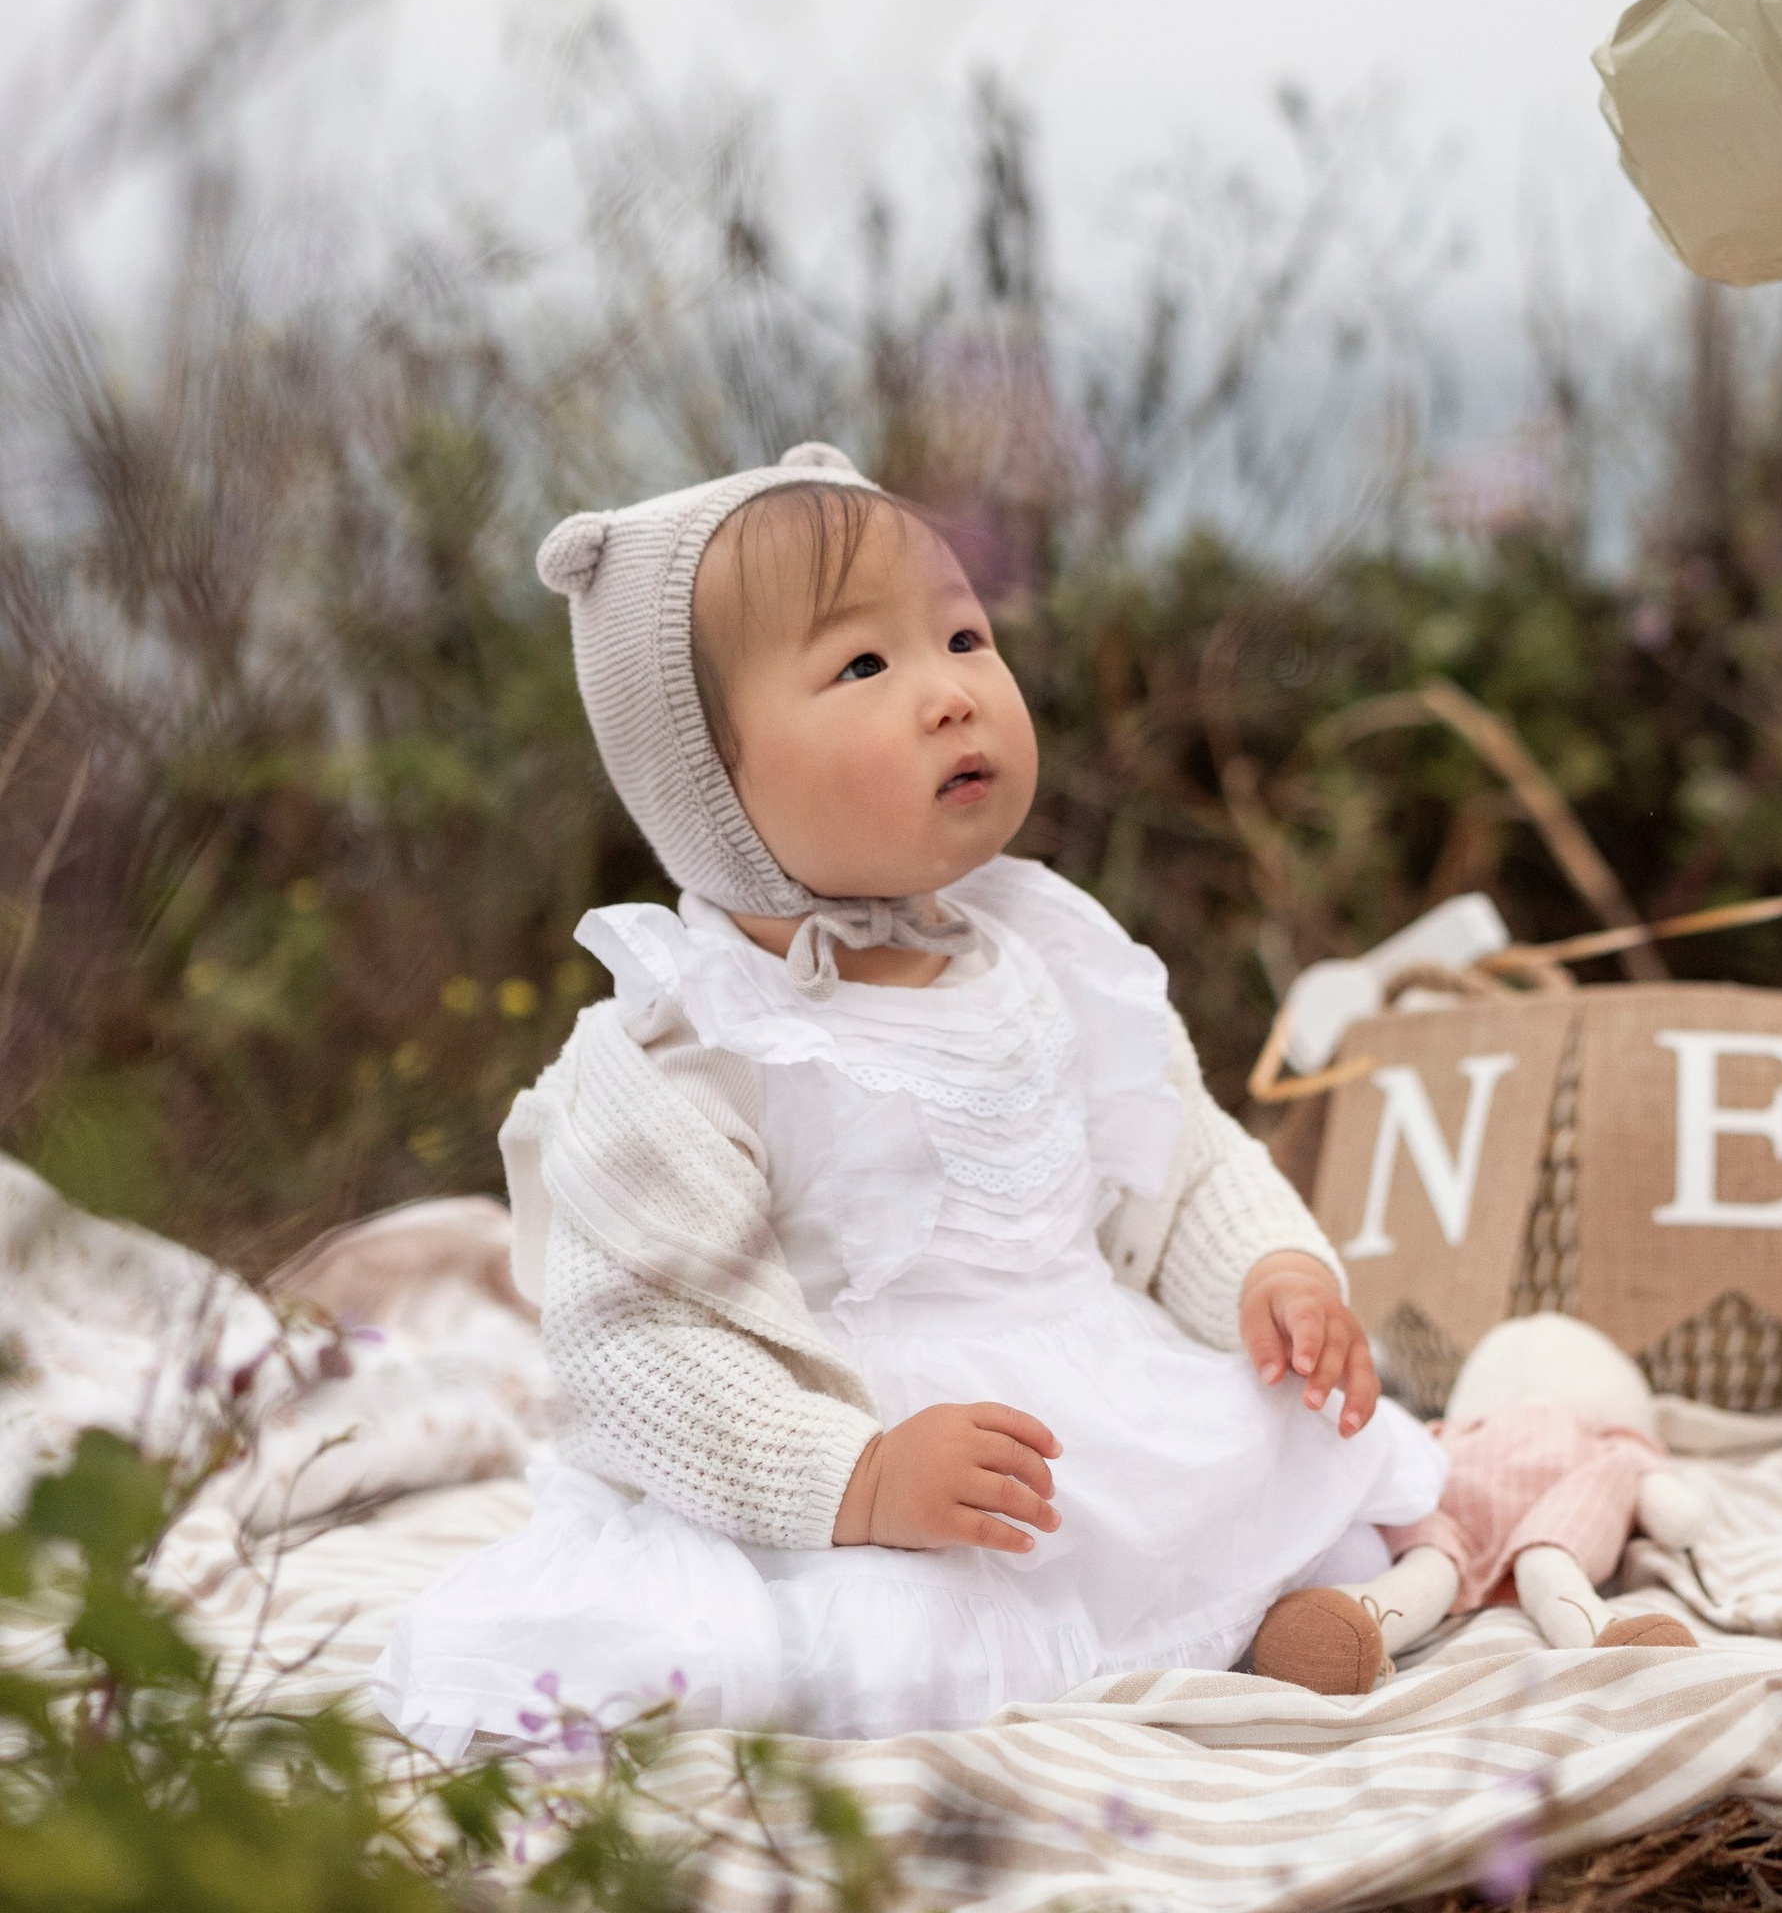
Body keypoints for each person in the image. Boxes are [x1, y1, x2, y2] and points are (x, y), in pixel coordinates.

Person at [376, 444, 1440, 1751]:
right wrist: (856, 1478)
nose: (949, 695)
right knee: (869, 1630)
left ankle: (1286, 1605)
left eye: (962, 636)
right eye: (865, 666)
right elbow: (631, 1353)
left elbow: (1178, 1162)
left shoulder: (1044, 950)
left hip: (1090, 1391)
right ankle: (1187, 1617)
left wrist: (1269, 1272)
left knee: (1289, 1441)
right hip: (866, 1443)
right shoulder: (692, 1045)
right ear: (708, 776)